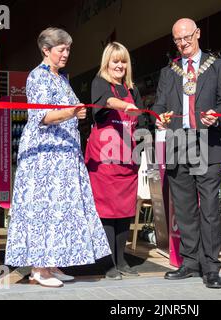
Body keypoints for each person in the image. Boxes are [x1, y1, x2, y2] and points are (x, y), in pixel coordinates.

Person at [5, 27, 111, 287]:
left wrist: (77, 113)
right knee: (44, 208)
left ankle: (51, 265)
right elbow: (42, 116)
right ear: (46, 50)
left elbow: (68, 109)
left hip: (63, 157)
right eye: (61, 49)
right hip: (45, 158)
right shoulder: (37, 77)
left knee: (59, 211)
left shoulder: (61, 78)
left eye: (68, 49)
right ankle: (39, 269)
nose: (66, 54)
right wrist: (71, 112)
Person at [152, 18, 221, 289]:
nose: (183, 43)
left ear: (197, 34)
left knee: (209, 207)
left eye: (187, 37)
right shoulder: (169, 71)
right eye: (177, 39)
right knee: (185, 208)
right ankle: (189, 262)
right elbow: (160, 104)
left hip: (208, 142)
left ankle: (211, 266)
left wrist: (216, 116)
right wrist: (159, 117)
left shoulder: (217, 65)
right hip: (179, 141)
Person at [85, 42, 142, 280]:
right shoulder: (100, 83)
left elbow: (140, 123)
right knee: (107, 213)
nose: (120, 65)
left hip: (127, 160)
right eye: (115, 61)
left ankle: (121, 259)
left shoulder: (134, 89)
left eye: (123, 61)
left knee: (125, 212)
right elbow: (108, 101)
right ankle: (108, 263)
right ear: (107, 63)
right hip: (104, 161)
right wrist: (126, 106)